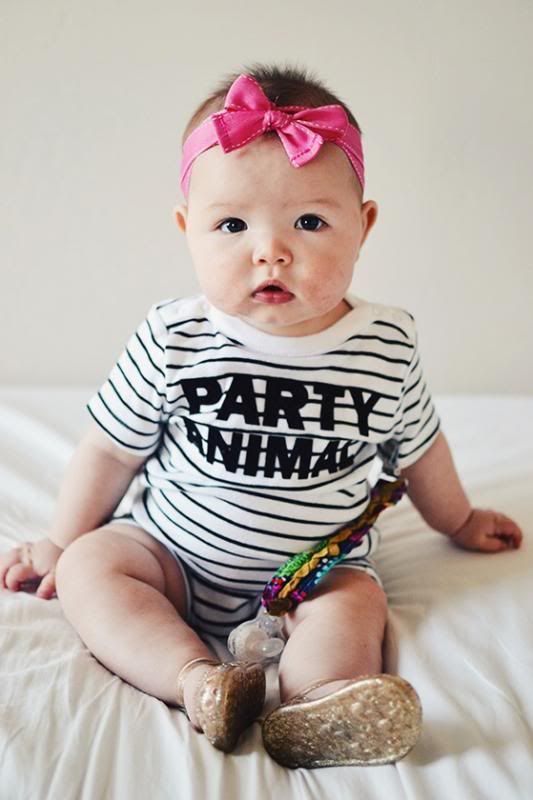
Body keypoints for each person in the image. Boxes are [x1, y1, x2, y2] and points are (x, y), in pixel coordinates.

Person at [0, 63, 523, 769]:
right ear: (188, 229)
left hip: (316, 569)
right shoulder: (175, 337)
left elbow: (420, 449)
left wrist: (457, 521)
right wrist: (62, 540)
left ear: (363, 227)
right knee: (94, 568)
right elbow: (109, 450)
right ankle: (198, 682)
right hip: (173, 556)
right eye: (231, 224)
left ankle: (321, 703)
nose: (270, 250)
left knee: (354, 606)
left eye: (309, 221)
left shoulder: (384, 344)